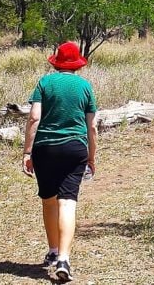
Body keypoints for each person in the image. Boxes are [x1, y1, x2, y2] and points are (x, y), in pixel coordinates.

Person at [23, 41, 98, 283]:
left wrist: (27, 152)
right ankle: (64, 259)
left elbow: (34, 117)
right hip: (75, 148)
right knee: (68, 202)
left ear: (56, 62)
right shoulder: (85, 87)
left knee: (48, 200)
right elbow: (92, 127)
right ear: (78, 65)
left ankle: (53, 251)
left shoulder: (45, 82)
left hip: (45, 148)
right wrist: (91, 157)